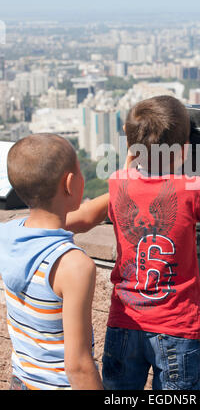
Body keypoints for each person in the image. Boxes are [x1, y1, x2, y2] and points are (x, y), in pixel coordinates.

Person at [102, 95, 200, 390]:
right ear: (185, 150)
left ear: (131, 147)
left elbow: (126, 179)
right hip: (177, 326)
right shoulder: (193, 189)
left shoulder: (116, 183)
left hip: (124, 320)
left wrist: (131, 153)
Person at [0, 133, 106, 390]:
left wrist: (127, 187)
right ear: (70, 183)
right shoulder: (73, 266)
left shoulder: (9, 234)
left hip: (22, 381)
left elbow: (82, 217)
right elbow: (78, 366)